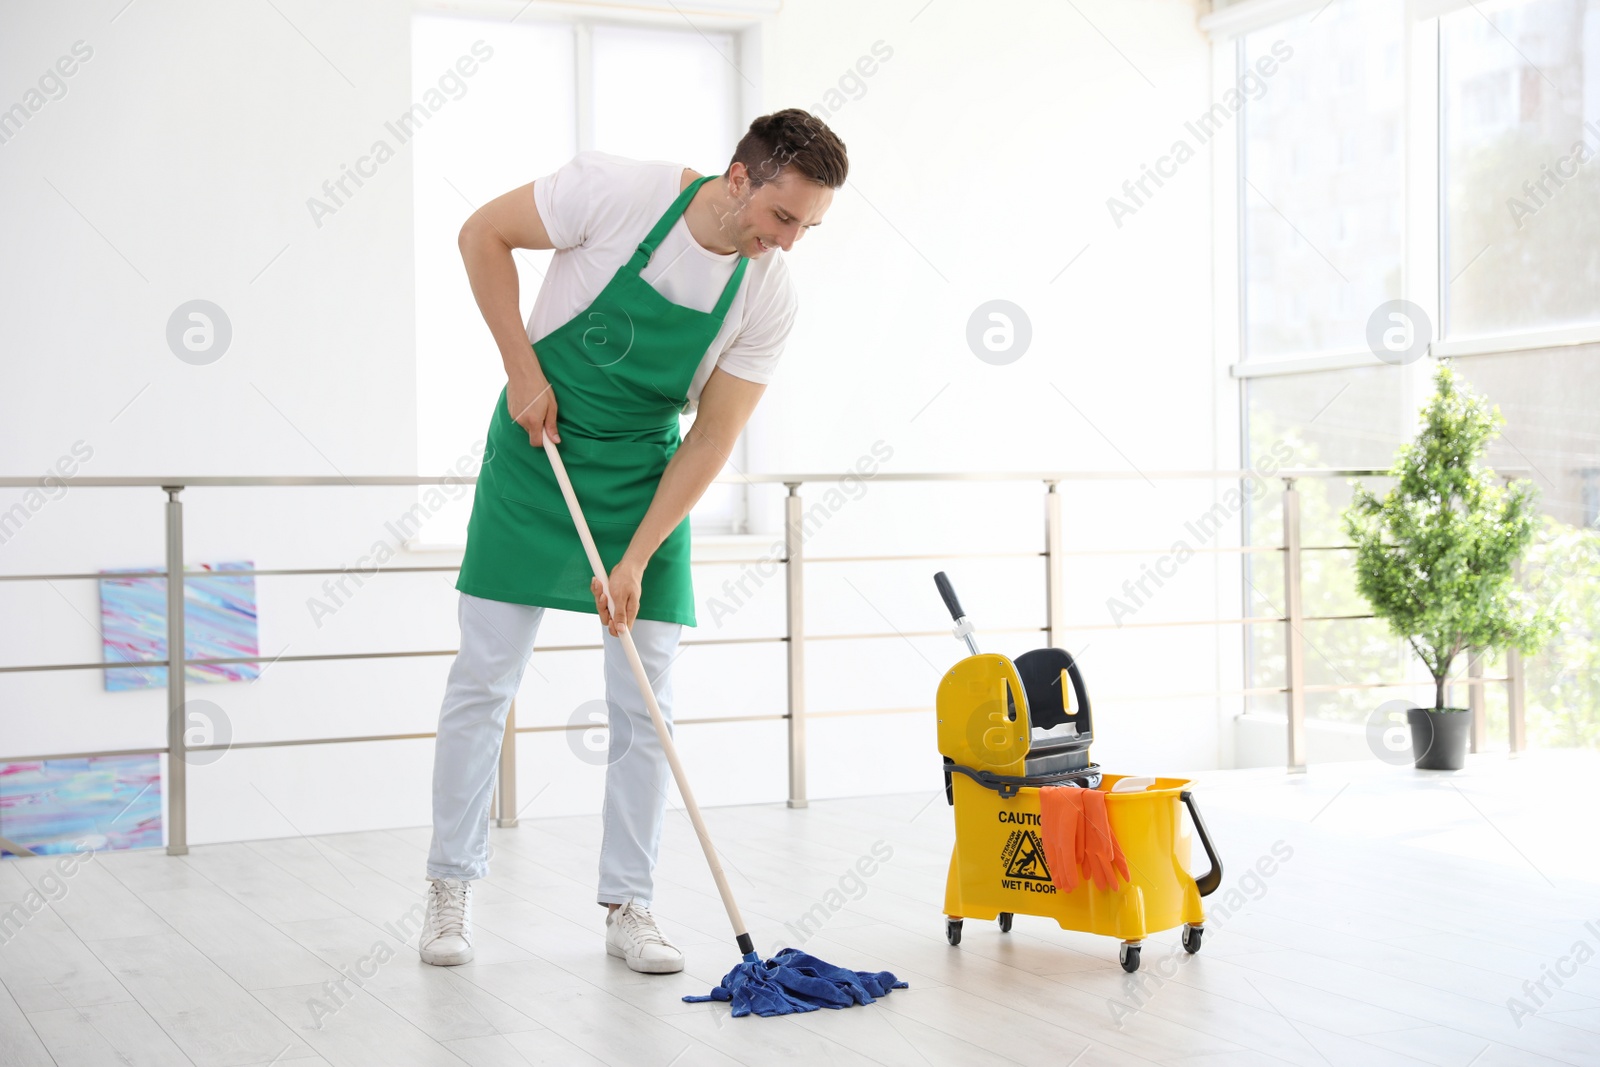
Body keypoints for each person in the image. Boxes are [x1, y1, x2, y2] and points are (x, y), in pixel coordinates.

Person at [419, 110, 847, 974]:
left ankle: (630, 903)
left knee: (645, 701)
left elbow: (713, 435)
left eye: (808, 227)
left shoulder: (768, 291)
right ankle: (448, 885)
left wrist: (638, 552)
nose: (790, 242)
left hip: (648, 480)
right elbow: (482, 234)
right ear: (739, 179)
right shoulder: (620, 191)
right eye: (784, 218)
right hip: (537, 451)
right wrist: (521, 369)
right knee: (484, 680)